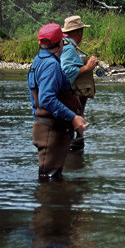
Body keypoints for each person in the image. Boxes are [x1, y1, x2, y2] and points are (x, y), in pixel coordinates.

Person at [28, 23, 88, 180]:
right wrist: (73, 117)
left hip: (46, 128)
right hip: (50, 132)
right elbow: (47, 99)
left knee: (50, 179)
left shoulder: (39, 60)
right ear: (61, 42)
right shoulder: (51, 65)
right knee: (50, 180)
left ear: (41, 43)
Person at [59, 16, 98, 152]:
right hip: (70, 96)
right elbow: (66, 71)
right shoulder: (69, 48)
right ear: (78, 32)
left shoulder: (63, 44)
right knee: (73, 138)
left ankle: (74, 151)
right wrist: (88, 67)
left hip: (67, 98)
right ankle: (74, 149)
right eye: (81, 30)